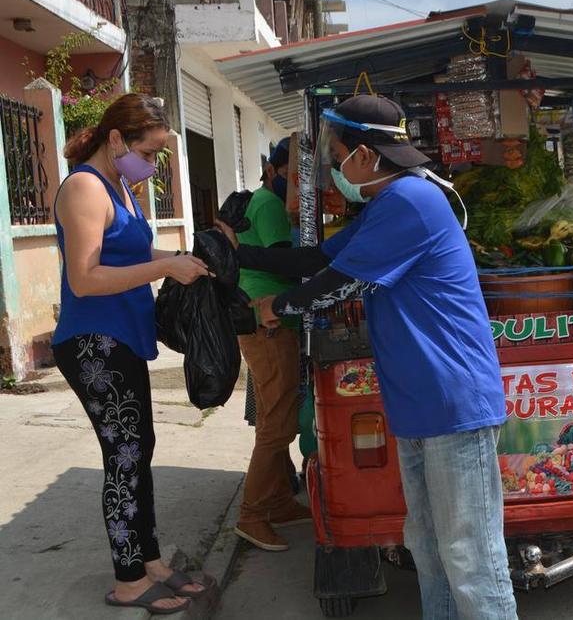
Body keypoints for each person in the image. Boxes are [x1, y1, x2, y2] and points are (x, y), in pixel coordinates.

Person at [217, 95, 517, 620]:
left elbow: (340, 283)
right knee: (427, 546)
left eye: (336, 154)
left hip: (453, 402)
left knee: (471, 557)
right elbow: (317, 258)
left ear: (367, 155)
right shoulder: (386, 205)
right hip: (418, 405)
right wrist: (236, 254)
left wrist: (277, 305)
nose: (332, 168)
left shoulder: (411, 202)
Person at [52, 93, 213, 614]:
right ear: (116, 139)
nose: (152, 164)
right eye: (149, 152)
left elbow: (133, 250)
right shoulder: (83, 187)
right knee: (123, 458)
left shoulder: (119, 185)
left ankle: (150, 562)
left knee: (138, 451)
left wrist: (181, 258)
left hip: (121, 338)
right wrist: (166, 270)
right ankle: (128, 581)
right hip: (94, 342)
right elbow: (86, 277)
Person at [230, 137, 310, 552]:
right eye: (290, 173)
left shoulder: (261, 202)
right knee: (277, 422)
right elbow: (286, 262)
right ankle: (253, 513)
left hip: (263, 319)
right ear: (274, 171)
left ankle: (278, 499)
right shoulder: (272, 206)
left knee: (272, 416)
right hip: (269, 321)